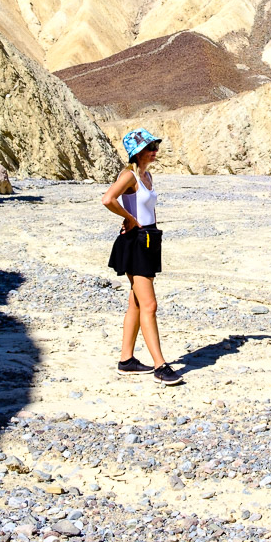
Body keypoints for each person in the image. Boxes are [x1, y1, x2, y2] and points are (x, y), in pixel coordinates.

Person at [102, 128, 183, 386]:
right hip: (136, 242)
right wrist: (130, 220)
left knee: (136, 304)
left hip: (148, 239)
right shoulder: (129, 175)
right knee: (150, 305)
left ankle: (127, 361)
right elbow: (107, 199)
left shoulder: (147, 175)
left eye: (155, 146)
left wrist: (144, 227)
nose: (155, 151)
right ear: (136, 152)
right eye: (150, 147)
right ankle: (160, 365)